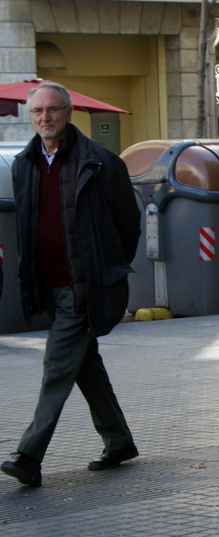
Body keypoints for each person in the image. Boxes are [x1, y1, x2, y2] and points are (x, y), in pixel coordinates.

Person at [1, 82, 141, 487]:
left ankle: (29, 456)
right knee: (83, 364)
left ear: (69, 113)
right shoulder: (24, 163)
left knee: (57, 366)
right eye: (37, 112)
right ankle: (119, 441)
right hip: (48, 284)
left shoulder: (100, 162)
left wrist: (106, 271)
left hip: (84, 286)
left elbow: (127, 225)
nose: (45, 118)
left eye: (53, 110)